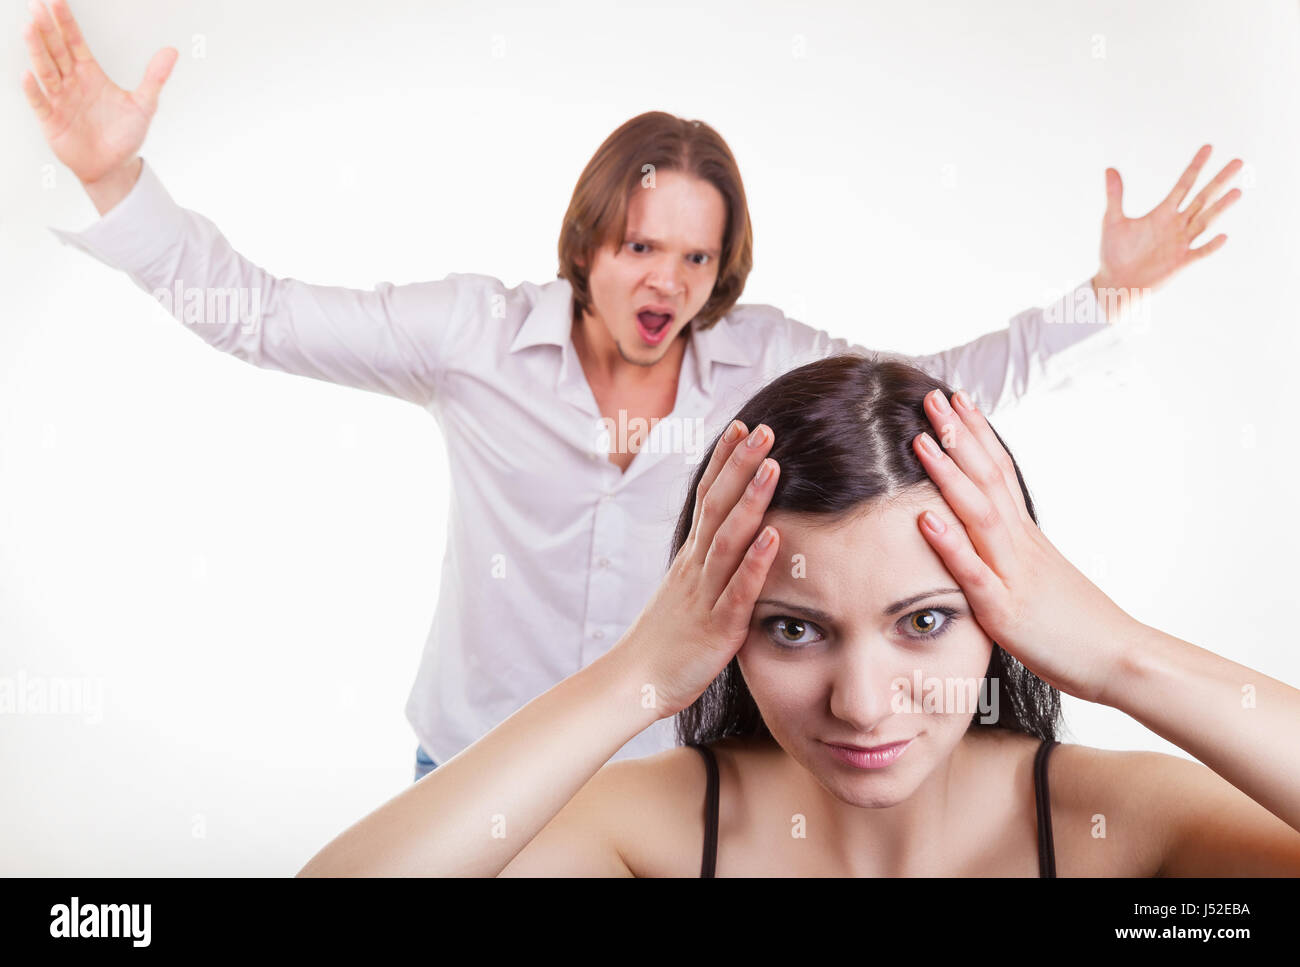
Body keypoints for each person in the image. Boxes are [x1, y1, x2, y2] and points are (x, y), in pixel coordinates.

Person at [21, 0, 1244, 781]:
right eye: (640, 246)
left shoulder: (760, 363)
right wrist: (119, 180)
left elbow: (944, 394)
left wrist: (1107, 291)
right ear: (590, 242)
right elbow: (267, 316)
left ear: (723, 269)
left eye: (695, 256)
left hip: (677, 770)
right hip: (473, 758)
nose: (665, 281)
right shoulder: (472, 338)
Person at [298, 355, 1300, 876]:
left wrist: (1123, 655)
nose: (862, 706)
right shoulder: (657, 829)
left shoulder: (1118, 830)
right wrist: (634, 676)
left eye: (922, 621)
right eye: (793, 627)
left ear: (1009, 617)